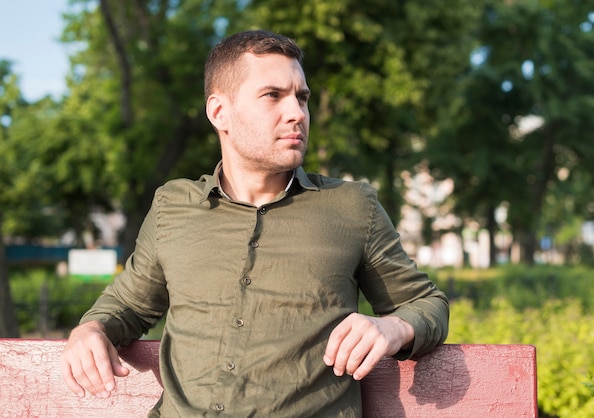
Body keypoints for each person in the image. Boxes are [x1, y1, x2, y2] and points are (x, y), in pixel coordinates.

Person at [60, 29, 449, 417]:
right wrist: (91, 329)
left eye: (302, 97)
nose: (296, 112)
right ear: (219, 112)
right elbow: (128, 305)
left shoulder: (351, 207)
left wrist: (394, 328)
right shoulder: (173, 206)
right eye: (272, 96)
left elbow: (425, 304)